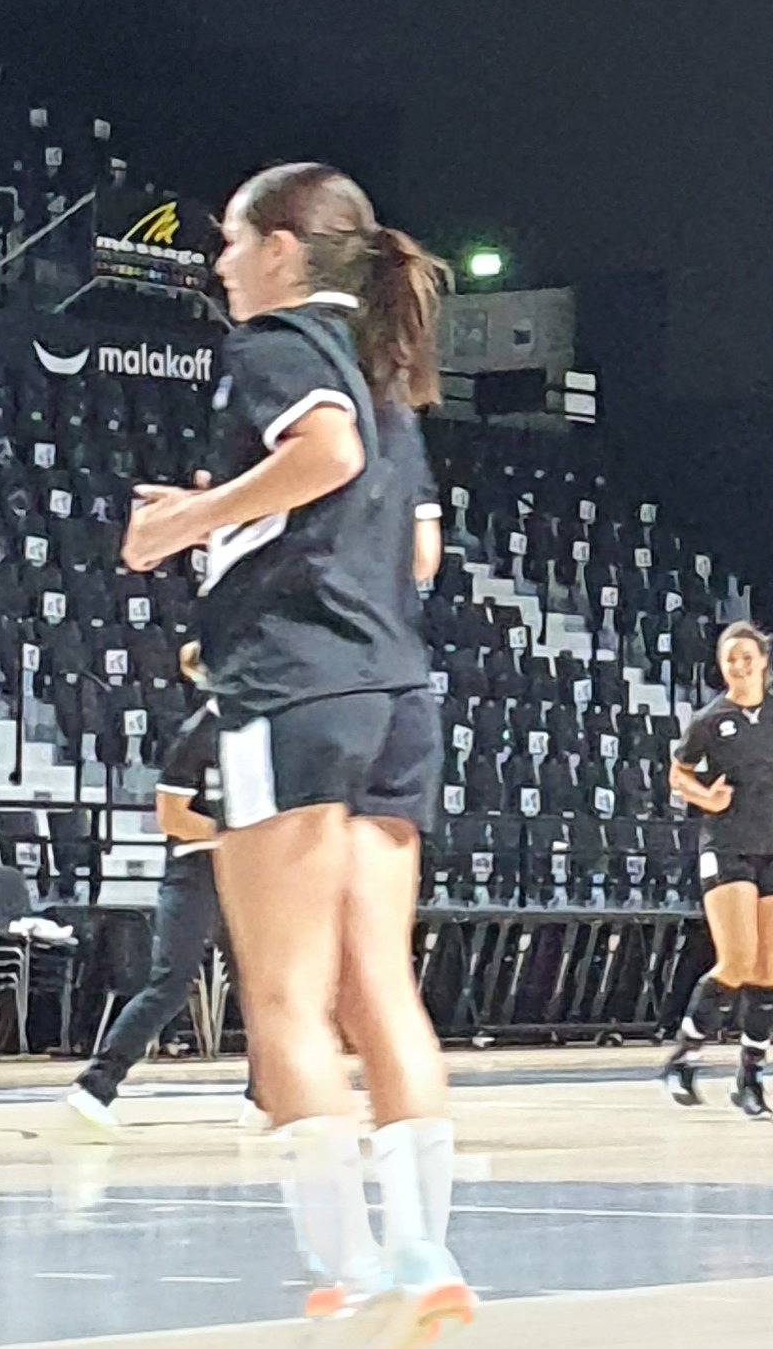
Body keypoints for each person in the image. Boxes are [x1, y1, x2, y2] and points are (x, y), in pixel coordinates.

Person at [121, 161, 471, 1336]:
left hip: (294, 692)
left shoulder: (277, 348)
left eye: (229, 239)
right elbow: (417, 551)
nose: (218, 263)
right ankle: (424, 1256)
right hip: (398, 695)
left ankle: (353, 1269)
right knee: (383, 986)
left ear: (281, 250)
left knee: (283, 997)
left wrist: (187, 522)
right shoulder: (391, 377)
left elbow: (324, 455)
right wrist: (268, 532)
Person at [63, 646, 257, 1136]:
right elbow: (171, 817)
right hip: (195, 873)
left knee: (263, 988)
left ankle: (266, 1097)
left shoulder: (258, 732)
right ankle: (96, 1084)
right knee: (171, 981)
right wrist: (232, 837)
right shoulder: (197, 735)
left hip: (247, 876)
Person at [661, 619, 773, 1118]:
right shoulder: (710, 720)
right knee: (735, 960)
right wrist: (703, 796)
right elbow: (677, 774)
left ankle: (750, 1077)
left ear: (762, 661)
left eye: (745, 657)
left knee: (766, 969)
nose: (738, 665)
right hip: (728, 845)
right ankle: (684, 1056)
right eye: (729, 658)